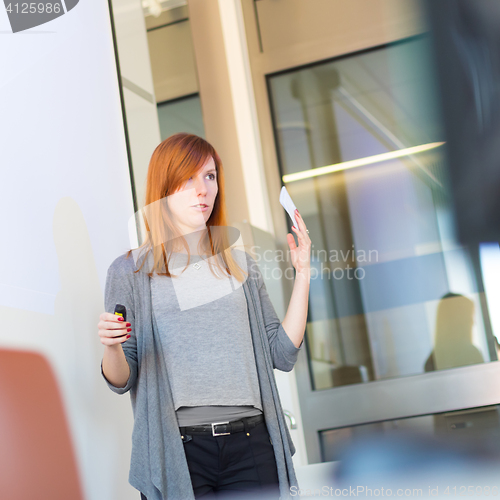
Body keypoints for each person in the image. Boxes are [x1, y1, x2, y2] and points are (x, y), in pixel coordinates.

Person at [97, 133, 311, 499]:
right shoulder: (131, 271)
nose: (203, 190)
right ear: (163, 188)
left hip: (252, 443)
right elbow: (122, 380)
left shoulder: (240, 264)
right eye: (189, 178)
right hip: (179, 451)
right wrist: (112, 347)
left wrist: (303, 272)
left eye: (210, 177)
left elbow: (282, 353)